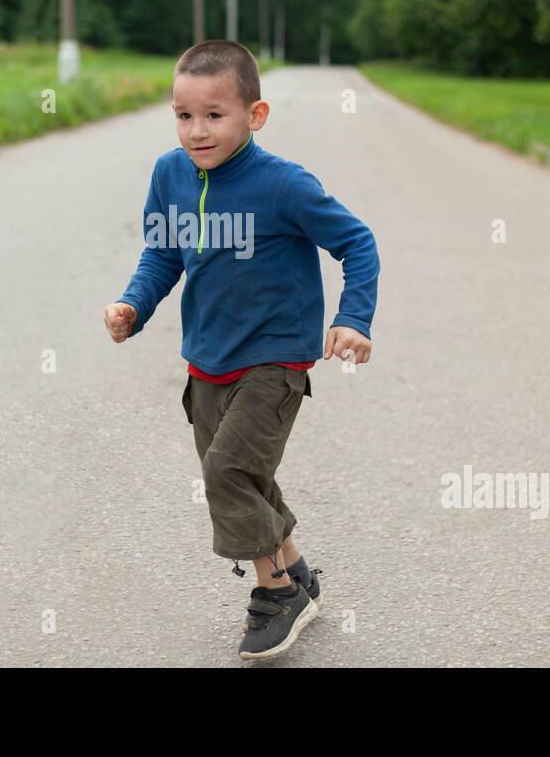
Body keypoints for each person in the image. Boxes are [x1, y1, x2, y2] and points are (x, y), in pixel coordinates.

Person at [104, 39, 380, 660]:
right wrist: (134, 306)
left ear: (255, 116)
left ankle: (276, 594)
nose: (196, 131)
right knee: (245, 474)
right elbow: (162, 252)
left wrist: (353, 318)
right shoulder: (169, 174)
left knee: (227, 471)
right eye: (183, 115)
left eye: (214, 115)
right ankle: (299, 573)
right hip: (207, 358)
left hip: (276, 359)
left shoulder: (283, 185)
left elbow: (357, 242)